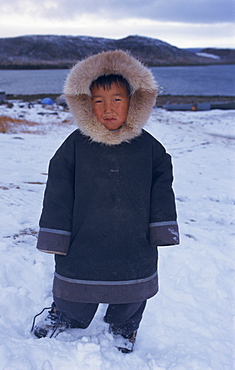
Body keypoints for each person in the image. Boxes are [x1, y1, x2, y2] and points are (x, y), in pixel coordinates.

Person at [32, 50, 179, 353]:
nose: (108, 108)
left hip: (134, 240)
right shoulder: (73, 146)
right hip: (84, 238)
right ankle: (67, 316)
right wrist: (54, 235)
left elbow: (162, 188)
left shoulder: (150, 149)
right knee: (74, 289)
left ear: (134, 103)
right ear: (86, 104)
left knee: (132, 293)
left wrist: (162, 228)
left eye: (117, 100)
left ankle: (125, 326)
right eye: (98, 101)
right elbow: (58, 192)